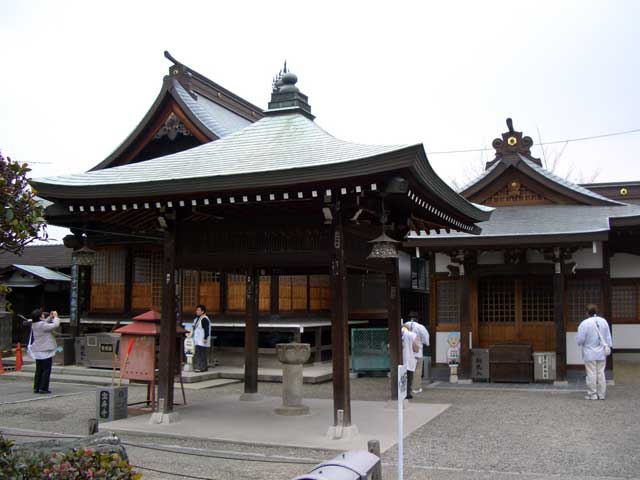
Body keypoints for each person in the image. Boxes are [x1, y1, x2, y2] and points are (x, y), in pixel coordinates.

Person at [576, 304, 612, 400]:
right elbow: (608, 337)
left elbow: (580, 340)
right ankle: (602, 394)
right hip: (601, 351)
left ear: (587, 313)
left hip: (589, 352)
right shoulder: (604, 322)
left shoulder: (584, 323)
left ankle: (593, 394)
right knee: (601, 372)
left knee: (591, 373)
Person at [28, 309, 60, 394]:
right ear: (40, 317)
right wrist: (56, 317)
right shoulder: (42, 325)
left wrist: (50, 317)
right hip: (45, 350)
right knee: (46, 370)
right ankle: (43, 388)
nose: (43, 315)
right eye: (42, 314)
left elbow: (44, 322)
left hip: (38, 351)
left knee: (39, 370)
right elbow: (55, 325)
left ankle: (37, 387)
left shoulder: (34, 324)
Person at [405, 312, 430, 394]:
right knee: (417, 370)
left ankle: (405, 387)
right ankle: (416, 388)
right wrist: (424, 342)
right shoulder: (420, 327)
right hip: (417, 352)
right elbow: (426, 339)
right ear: (417, 318)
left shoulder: (404, 326)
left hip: (406, 351)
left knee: (406, 369)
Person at [192, 304, 211, 372]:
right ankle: (202, 367)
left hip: (202, 340)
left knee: (201, 354)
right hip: (198, 340)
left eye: (198, 310)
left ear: (202, 311)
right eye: (196, 310)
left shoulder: (204, 319)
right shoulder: (198, 319)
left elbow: (206, 329)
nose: (197, 311)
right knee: (199, 353)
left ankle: (201, 367)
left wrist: (205, 338)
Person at [401, 325, 418, 400]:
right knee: (409, 378)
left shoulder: (399, 334)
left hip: (400, 360)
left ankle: (400, 393)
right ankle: (407, 393)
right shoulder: (412, 335)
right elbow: (415, 348)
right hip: (410, 359)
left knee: (401, 377)